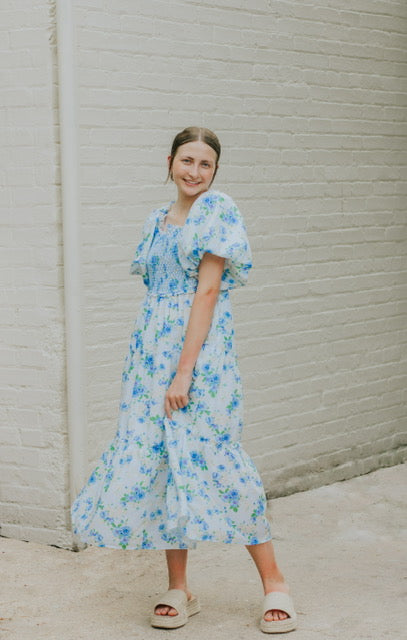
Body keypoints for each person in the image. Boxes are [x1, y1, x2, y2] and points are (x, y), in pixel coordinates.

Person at [70, 126, 297, 633]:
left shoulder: (216, 212)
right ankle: (179, 586)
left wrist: (185, 371)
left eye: (206, 165)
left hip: (200, 359)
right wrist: (154, 367)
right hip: (150, 358)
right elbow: (155, 295)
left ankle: (275, 583)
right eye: (187, 160)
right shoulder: (156, 220)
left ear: (215, 172)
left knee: (219, 459)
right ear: (169, 161)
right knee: (162, 465)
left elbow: (208, 292)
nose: (195, 172)